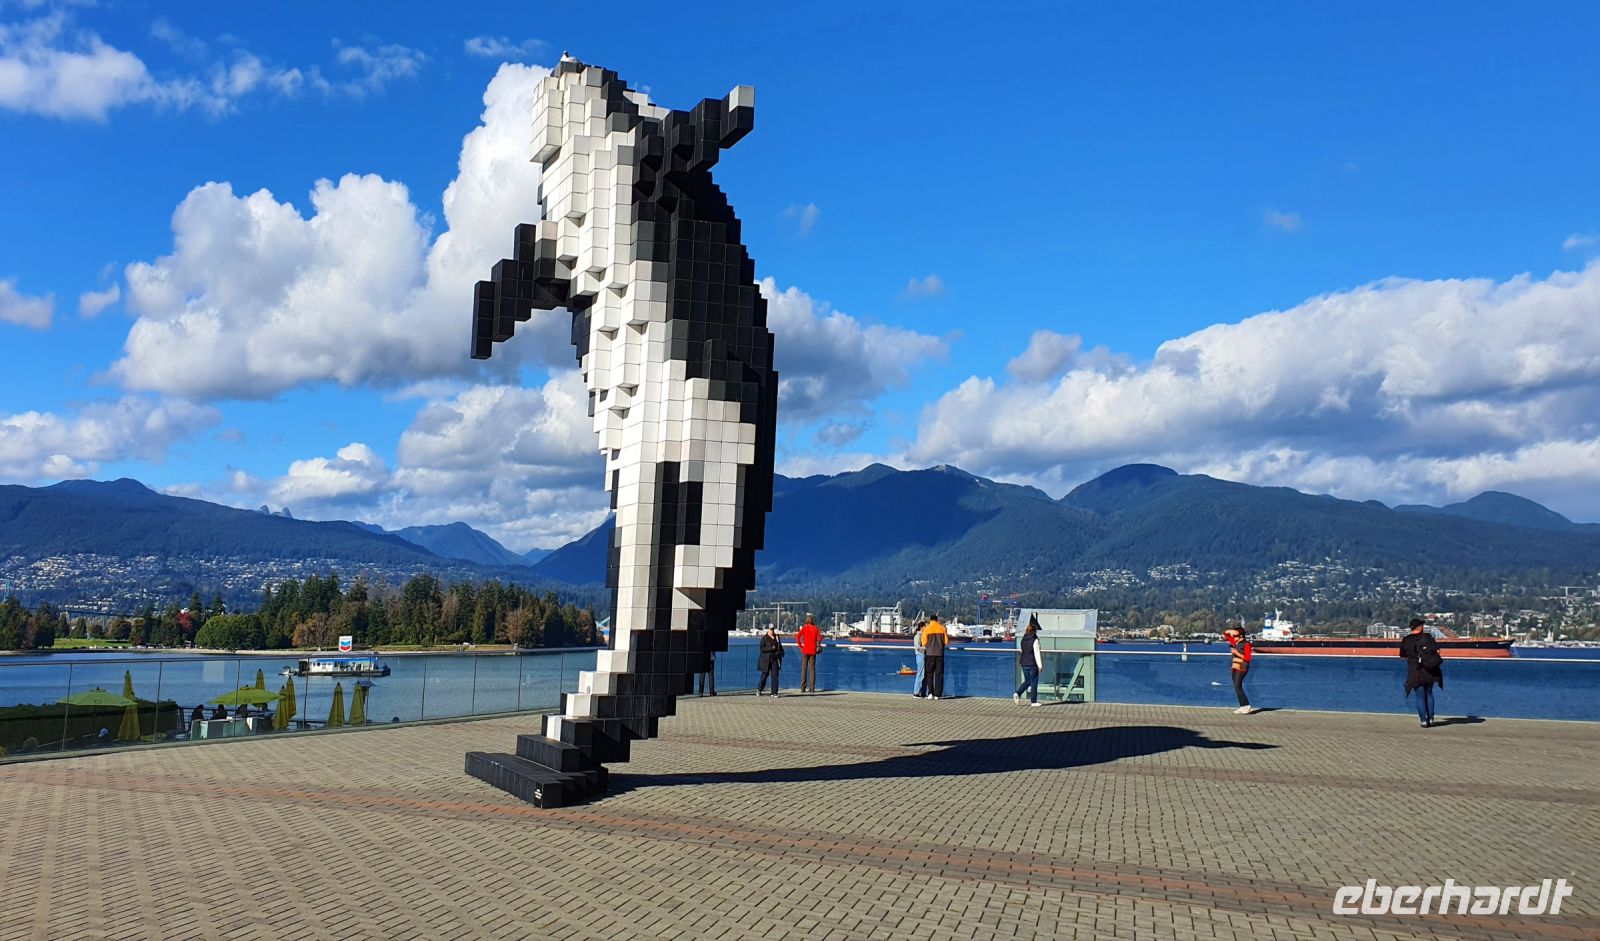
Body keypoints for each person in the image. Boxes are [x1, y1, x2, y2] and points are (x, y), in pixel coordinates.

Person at [1399, 617, 1444, 727]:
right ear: (1420, 627)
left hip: (1415, 671)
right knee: (1429, 694)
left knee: (1419, 696)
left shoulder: (1406, 640)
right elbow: (1437, 650)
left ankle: (1423, 720)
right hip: (1430, 669)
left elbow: (1402, 655)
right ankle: (1431, 718)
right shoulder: (1427, 637)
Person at [1014, 614, 1043, 706]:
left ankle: (1018, 693)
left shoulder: (1023, 639)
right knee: (1034, 681)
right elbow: (1037, 653)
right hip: (1032, 664)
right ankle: (1033, 701)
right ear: (1035, 630)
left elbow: (1023, 650)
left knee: (1027, 681)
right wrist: (1040, 665)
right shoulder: (1035, 640)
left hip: (1023, 663)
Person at [919, 614, 949, 700]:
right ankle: (937, 694)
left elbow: (924, 642)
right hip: (939, 654)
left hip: (929, 654)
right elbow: (946, 642)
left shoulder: (926, 629)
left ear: (930, 620)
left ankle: (930, 693)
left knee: (929, 674)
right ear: (937, 620)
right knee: (939, 674)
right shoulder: (942, 628)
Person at [1223, 626, 1253, 714]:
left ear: (1241, 636)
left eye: (1236, 636)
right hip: (1234, 667)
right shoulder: (1234, 642)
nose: (1234, 638)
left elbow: (1248, 658)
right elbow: (1226, 634)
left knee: (1237, 686)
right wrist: (1231, 631)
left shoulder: (1246, 644)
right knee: (1236, 687)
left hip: (1242, 667)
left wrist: (1236, 653)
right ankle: (1242, 706)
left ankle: (1247, 706)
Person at [796, 614, 822, 693]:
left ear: (807, 621)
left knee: (804, 669)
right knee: (812, 670)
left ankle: (803, 687)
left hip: (805, 650)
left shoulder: (804, 628)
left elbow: (797, 637)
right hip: (813, 651)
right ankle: (812, 687)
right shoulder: (816, 629)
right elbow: (820, 638)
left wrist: (801, 646)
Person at [756, 625, 784, 696]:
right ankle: (759, 689)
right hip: (766, 659)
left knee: (775, 676)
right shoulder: (764, 638)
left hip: (775, 659)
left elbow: (780, 647)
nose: (772, 631)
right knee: (764, 675)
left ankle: (774, 692)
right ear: (768, 630)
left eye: (773, 629)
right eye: (771, 629)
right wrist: (771, 648)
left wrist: (780, 653)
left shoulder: (777, 637)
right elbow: (762, 649)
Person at [911, 619, 928, 697]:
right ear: (921, 627)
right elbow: (917, 647)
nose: (926, 628)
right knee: (920, 674)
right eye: (925, 626)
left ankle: (922, 692)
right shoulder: (918, 636)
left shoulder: (921, 635)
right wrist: (925, 648)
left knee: (924, 674)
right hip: (920, 655)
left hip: (923, 656)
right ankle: (916, 692)